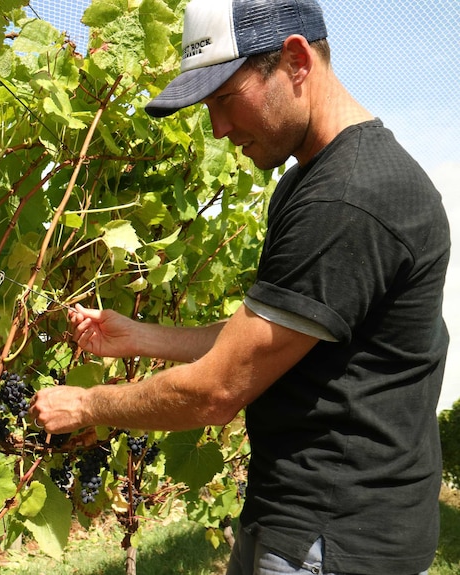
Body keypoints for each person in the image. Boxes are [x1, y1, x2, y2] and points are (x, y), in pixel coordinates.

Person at [28, 0, 451, 573]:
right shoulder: (309, 181)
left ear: (296, 61)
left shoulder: (348, 198)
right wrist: (140, 337)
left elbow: (217, 391)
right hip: (298, 516)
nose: (219, 129)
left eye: (225, 100)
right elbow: (260, 342)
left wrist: (85, 404)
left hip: (337, 539)